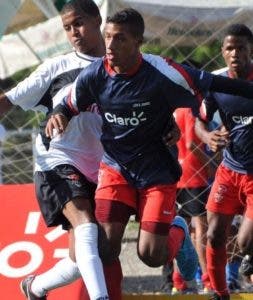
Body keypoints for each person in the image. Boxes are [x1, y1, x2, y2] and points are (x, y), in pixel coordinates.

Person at [45, 10, 253, 296]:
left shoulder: (163, 72)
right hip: (116, 168)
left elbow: (215, 83)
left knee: (151, 255)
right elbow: (69, 103)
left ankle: (177, 234)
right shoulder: (94, 74)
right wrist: (59, 115)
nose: (110, 46)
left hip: (156, 172)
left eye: (120, 39)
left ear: (138, 41)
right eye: (108, 37)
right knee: (105, 246)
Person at [0, 1, 122, 299]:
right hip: (57, 160)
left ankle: (35, 287)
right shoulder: (56, 67)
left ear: (98, 21)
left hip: (104, 169)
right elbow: (8, 101)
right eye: (67, 28)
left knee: (84, 256)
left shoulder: (124, 67)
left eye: (78, 23)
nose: (73, 33)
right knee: (86, 226)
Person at [194, 23, 253, 300]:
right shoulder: (216, 84)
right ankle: (220, 292)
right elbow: (200, 121)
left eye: (240, 48)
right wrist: (207, 137)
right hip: (229, 170)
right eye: (229, 48)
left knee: (244, 241)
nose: (235, 54)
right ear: (222, 52)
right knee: (215, 234)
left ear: (250, 50)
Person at [172, 106, 212, 294]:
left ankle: (178, 282)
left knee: (182, 230)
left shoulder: (172, 109)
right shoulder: (188, 110)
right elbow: (191, 144)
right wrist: (210, 164)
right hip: (193, 175)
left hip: (175, 175)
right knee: (201, 229)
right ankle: (207, 281)